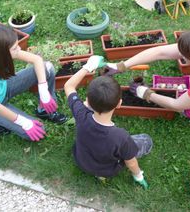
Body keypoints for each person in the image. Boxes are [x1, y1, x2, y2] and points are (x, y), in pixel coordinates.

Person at [0, 24, 68, 141]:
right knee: (39, 130)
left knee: (47, 68)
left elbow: (37, 60)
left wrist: (44, 92)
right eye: (14, 48)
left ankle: (44, 110)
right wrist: (24, 123)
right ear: (2, 52)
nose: (19, 49)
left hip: (3, 88)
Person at [64, 55, 152, 189]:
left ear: (87, 100)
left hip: (81, 161)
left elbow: (69, 86)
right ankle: (101, 174)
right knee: (145, 140)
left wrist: (88, 67)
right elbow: (131, 162)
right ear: (119, 104)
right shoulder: (120, 137)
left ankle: (96, 172)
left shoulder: (80, 113)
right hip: (107, 170)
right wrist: (138, 175)